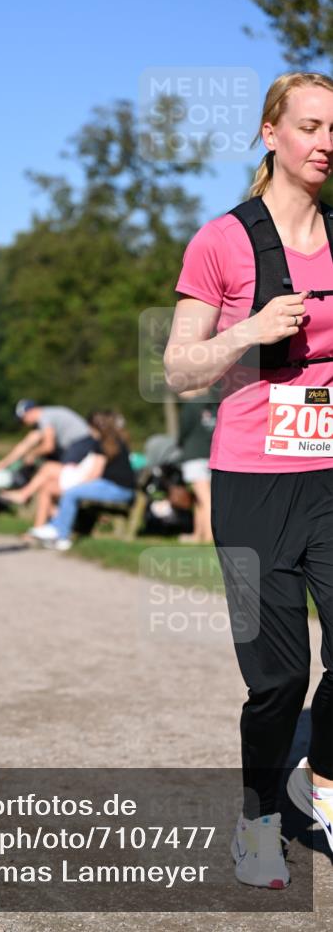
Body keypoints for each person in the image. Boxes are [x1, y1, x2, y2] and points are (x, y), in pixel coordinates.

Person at [164, 72, 333, 889]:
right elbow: (175, 369)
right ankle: (259, 820)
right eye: (308, 126)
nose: (325, 142)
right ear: (270, 133)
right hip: (250, 479)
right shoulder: (221, 241)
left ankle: (322, 784)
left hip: (331, 473)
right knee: (276, 680)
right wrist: (250, 329)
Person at [28, 410, 136, 549]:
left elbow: (94, 474)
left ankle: (61, 537)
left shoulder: (102, 444)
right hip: (121, 488)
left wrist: (74, 485)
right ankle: (55, 527)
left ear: (94, 427)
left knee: (71, 493)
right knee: (71, 491)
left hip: (116, 489)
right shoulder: (115, 441)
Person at [0, 401, 93, 508]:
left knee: (61, 476)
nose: (23, 422)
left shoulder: (45, 417)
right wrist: (5, 462)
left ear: (30, 412)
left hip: (82, 443)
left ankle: (26, 495)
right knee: (52, 473)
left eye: (23, 418)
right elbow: (25, 444)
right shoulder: (45, 418)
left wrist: (32, 454)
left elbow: (48, 446)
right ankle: (47, 503)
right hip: (77, 445)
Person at [176, 394, 218, 544]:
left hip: (194, 455)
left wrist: (179, 444)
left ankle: (209, 536)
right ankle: (198, 534)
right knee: (200, 499)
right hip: (212, 453)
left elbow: (184, 430)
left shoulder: (191, 405)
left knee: (205, 498)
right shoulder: (215, 402)